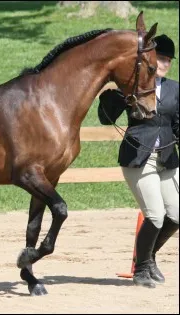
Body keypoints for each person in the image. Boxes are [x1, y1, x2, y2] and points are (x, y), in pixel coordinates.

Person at [98, 34, 179, 288]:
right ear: (150, 60)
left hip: (167, 158)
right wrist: (116, 98)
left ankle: (148, 256)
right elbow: (104, 117)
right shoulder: (133, 86)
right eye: (160, 59)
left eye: (168, 60)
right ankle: (141, 269)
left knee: (176, 216)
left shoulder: (175, 89)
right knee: (155, 215)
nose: (164, 64)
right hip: (139, 158)